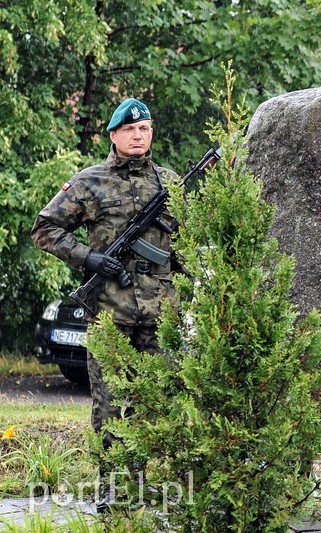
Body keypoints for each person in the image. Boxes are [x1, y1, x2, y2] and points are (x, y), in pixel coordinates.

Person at [31, 98, 180, 511]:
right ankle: (113, 498)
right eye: (130, 129)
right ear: (113, 135)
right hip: (110, 317)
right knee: (110, 409)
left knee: (156, 407)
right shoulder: (89, 182)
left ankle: (150, 490)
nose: (138, 135)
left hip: (160, 317)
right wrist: (87, 258)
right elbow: (44, 228)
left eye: (145, 128)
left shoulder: (169, 183)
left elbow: (185, 243)